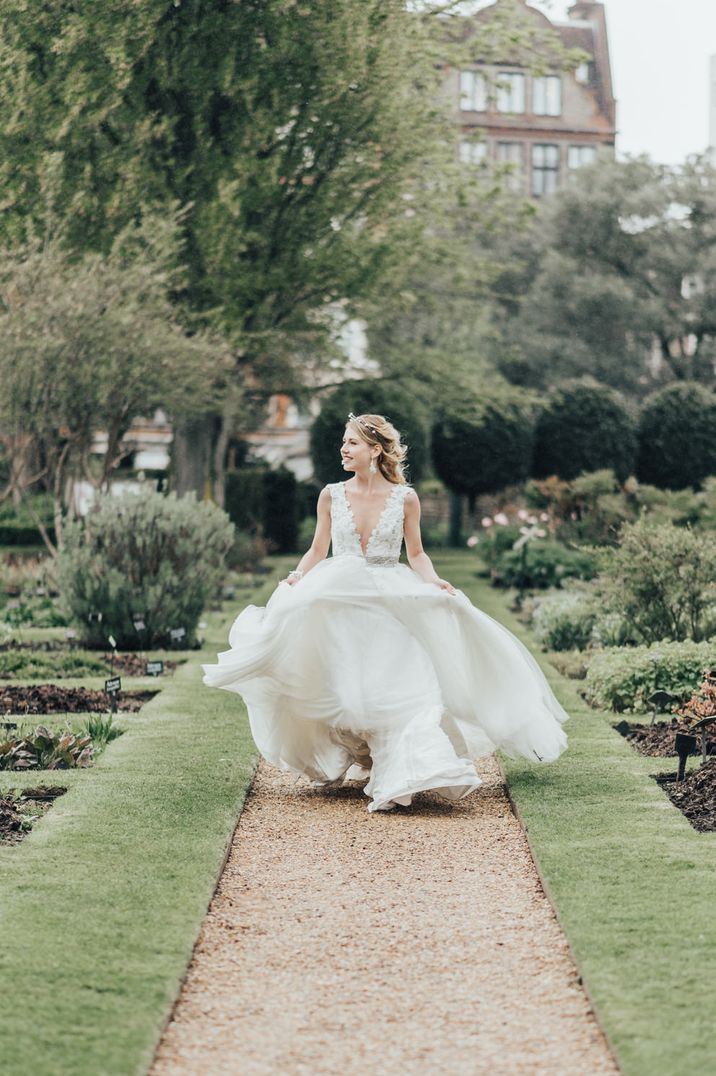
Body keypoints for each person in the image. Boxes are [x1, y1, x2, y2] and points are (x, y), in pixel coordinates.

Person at [202, 412, 568, 812]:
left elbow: (417, 553)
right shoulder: (330, 494)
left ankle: (401, 763)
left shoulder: (405, 498)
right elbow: (317, 546)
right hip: (337, 590)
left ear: (375, 450)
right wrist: (297, 577)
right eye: (343, 442)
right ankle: (361, 756)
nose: (343, 449)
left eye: (352, 443)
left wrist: (434, 583)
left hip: (387, 590)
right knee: (343, 682)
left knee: (394, 679)